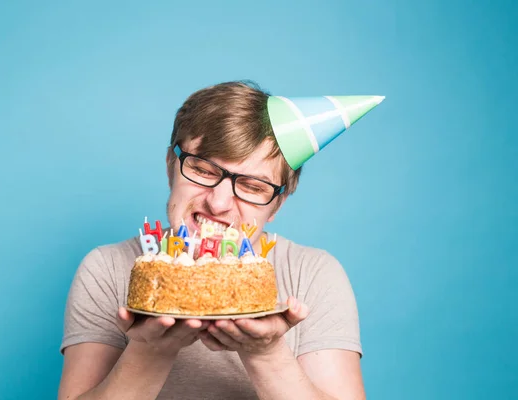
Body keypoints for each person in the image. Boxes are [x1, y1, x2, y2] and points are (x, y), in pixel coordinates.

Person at [58, 81, 384, 399]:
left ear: (276, 205)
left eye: (253, 187)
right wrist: (150, 350)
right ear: (172, 166)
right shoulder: (108, 268)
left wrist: (266, 353)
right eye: (203, 170)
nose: (219, 203)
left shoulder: (313, 275)